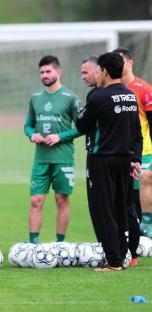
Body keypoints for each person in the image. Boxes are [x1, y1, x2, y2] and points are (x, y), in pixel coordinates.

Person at [76, 52, 142, 271]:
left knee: (103, 210)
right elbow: (137, 132)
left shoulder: (98, 97)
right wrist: (136, 159)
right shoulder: (130, 95)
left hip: (101, 160)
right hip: (126, 160)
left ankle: (113, 261)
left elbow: (81, 124)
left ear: (103, 71)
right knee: (120, 209)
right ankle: (121, 256)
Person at [24, 55, 81, 244]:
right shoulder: (35, 98)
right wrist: (32, 135)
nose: (45, 75)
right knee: (36, 201)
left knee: (61, 200)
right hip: (40, 159)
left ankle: (60, 244)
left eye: (48, 71)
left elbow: (81, 127)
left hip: (63, 158)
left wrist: (60, 136)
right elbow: (28, 126)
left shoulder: (70, 98)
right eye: (42, 72)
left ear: (58, 72)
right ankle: (33, 244)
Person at [113, 48, 152, 235]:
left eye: (121, 60)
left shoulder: (144, 89)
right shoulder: (111, 90)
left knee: (139, 190)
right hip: (119, 152)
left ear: (130, 62)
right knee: (124, 195)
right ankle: (130, 232)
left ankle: (145, 227)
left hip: (143, 151)